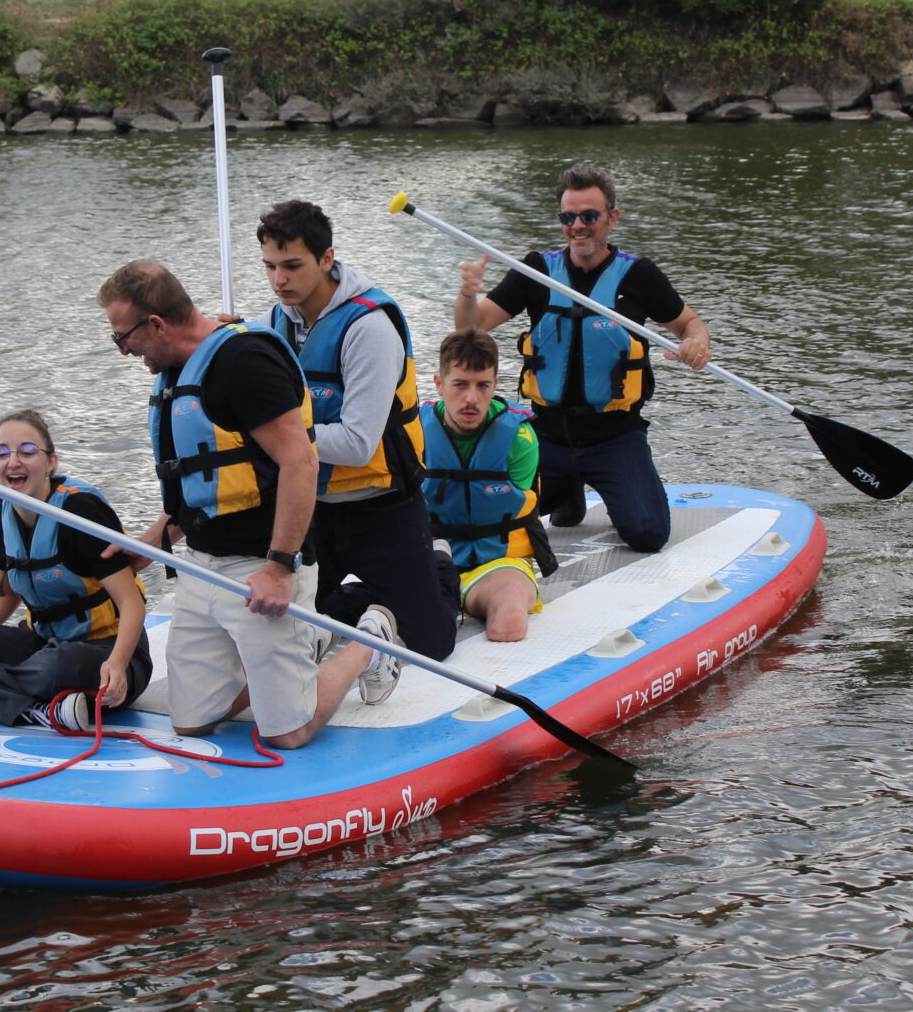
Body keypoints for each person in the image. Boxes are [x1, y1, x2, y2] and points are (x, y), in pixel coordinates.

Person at [98, 260, 399, 749]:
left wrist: (281, 568)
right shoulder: (176, 372)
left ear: (155, 324)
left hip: (263, 565)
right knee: (191, 724)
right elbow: (204, 488)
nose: (122, 349)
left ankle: (366, 646)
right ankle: (300, 650)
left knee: (289, 733)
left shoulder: (246, 363)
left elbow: (300, 463)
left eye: (122, 336)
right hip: (202, 566)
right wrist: (151, 545)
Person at [455, 164, 710, 553]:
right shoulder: (537, 271)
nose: (578, 226)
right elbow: (470, 329)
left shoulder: (638, 275)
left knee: (647, 534)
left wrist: (696, 343)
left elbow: (690, 324)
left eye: (589, 216)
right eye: (568, 217)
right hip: (546, 436)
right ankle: (565, 492)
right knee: (489, 520)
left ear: (612, 218)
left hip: (615, 437)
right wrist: (467, 296)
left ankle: (598, 488)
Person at [256, 200, 458, 661]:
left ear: (327, 259)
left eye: (292, 266)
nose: (279, 280)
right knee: (293, 629)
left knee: (432, 644)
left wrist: (274, 440)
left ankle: (439, 565)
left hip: (381, 507)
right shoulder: (275, 322)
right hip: (309, 507)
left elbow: (356, 442)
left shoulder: (369, 327)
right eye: (270, 266)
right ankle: (366, 598)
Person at [0, 409, 151, 732]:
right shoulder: (0, 510)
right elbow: (5, 594)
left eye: (27, 452)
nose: (14, 462)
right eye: (2, 453)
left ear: (51, 462)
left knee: (56, 667)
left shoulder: (80, 513)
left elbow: (132, 602)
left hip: (107, 652)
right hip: (39, 642)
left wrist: (118, 664)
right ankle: (32, 710)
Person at [422, 329, 556, 642]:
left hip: (496, 563)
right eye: (460, 385)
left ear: (495, 385)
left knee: (509, 624)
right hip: (431, 560)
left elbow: (509, 504)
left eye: (483, 386)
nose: (471, 399)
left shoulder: (520, 440)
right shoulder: (413, 433)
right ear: (439, 385)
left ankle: (460, 602)